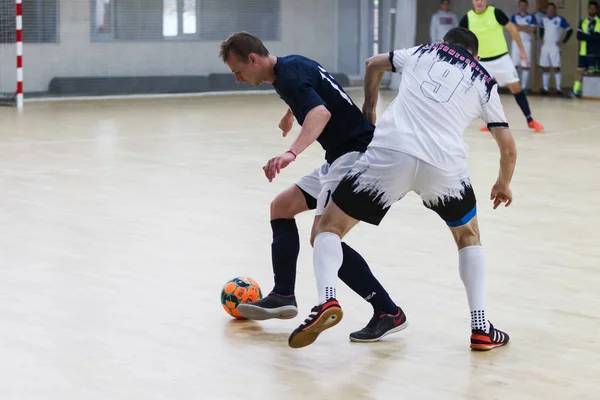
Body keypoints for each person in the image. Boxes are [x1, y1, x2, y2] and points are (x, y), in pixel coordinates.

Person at [286, 27, 515, 351]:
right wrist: (502, 183)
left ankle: (327, 300)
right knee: (468, 236)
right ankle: (480, 327)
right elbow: (508, 149)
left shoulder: (423, 52)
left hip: (390, 155)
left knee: (329, 227)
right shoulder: (484, 80)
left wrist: (370, 106)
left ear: (444, 44)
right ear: (476, 56)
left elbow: (373, 63)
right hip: (443, 167)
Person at [218, 32, 408, 342]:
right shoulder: (291, 66)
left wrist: (290, 153)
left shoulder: (287, 78)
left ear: (253, 59)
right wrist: (291, 113)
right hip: (340, 155)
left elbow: (321, 112)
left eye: (238, 71)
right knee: (281, 207)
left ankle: (387, 311)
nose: (238, 79)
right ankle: (282, 295)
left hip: (355, 154)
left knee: (323, 237)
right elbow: (318, 90)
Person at [460, 0, 544, 133]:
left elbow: (513, 29)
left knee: (515, 88)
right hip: (481, 62)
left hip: (501, 59)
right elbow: (461, 39)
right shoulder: (467, 18)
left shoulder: (496, 13)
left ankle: (530, 120)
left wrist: (522, 50)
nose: (479, 2)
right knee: (483, 93)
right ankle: (491, 122)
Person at [539, 3, 573, 96]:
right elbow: (541, 29)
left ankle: (558, 89)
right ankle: (545, 89)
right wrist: (541, 37)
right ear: (546, 10)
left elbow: (570, 30)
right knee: (545, 67)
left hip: (554, 46)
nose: (550, 11)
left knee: (556, 67)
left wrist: (563, 41)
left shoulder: (560, 20)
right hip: (545, 45)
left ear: (555, 10)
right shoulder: (544, 19)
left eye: (552, 9)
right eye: (548, 9)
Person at [570, 1, 600, 98]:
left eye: (593, 8)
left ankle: (594, 92)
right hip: (583, 51)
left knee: (593, 71)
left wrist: (585, 36)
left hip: (594, 52)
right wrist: (589, 36)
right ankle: (576, 91)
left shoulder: (598, 22)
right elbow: (578, 36)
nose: (591, 10)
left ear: (597, 9)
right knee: (579, 71)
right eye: (590, 8)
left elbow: (597, 38)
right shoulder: (583, 22)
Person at [510, 0, 537, 90]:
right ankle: (515, 88)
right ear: (519, 6)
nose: (523, 7)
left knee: (526, 65)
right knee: (515, 65)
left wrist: (520, 27)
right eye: (521, 5)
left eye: (524, 5)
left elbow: (532, 29)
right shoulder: (514, 16)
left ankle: (524, 87)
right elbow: (513, 29)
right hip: (516, 43)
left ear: (527, 6)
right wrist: (526, 27)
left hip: (527, 43)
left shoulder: (531, 17)